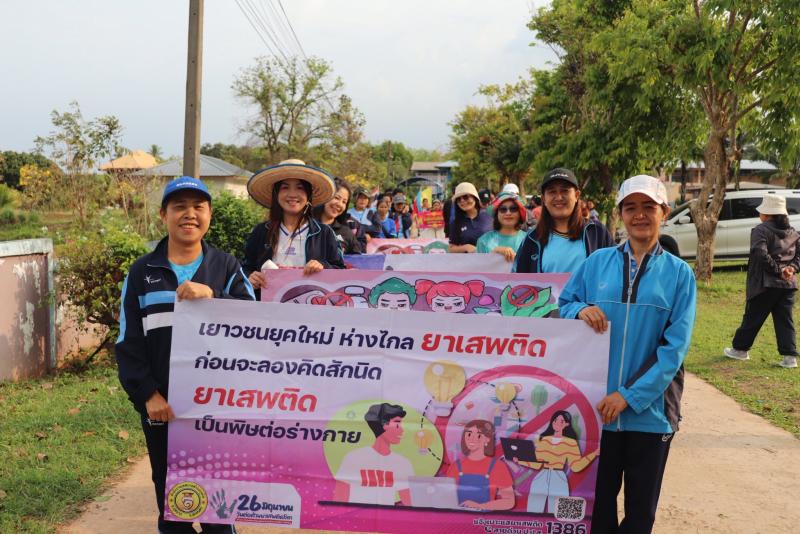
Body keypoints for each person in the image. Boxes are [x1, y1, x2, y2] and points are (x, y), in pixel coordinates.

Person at [115, 177, 254, 534]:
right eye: (179, 207)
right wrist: (148, 394)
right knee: (172, 501)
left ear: (209, 215)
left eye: (198, 207)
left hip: (219, 406)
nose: (189, 214)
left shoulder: (226, 266)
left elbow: (255, 324)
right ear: (163, 215)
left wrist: (214, 296)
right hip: (164, 407)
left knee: (218, 504)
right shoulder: (142, 272)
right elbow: (129, 342)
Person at [559, 174, 697, 534]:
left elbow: (674, 349)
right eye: (630, 207)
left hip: (651, 415)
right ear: (620, 214)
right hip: (598, 411)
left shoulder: (680, 275)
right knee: (598, 509)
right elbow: (564, 303)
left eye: (648, 207)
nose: (639, 215)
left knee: (640, 515)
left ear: (664, 212)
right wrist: (579, 310)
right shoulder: (597, 263)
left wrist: (628, 396)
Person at [242, 159, 345, 299]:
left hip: (311, 307)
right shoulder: (261, 231)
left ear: (308, 195)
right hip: (267, 308)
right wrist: (250, 277)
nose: (292, 194)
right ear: (276, 194)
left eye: (300, 188)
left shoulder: (324, 233)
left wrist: (323, 266)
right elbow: (245, 267)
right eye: (285, 187)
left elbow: (340, 271)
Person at [724, 194, 800, 368]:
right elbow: (798, 257)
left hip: (765, 283)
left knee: (753, 317)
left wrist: (778, 271)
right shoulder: (793, 232)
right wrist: (791, 269)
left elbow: (760, 253)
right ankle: (790, 358)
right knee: (785, 320)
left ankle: (740, 350)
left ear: (767, 214)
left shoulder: (760, 230)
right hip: (788, 284)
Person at [514, 168, 613, 275]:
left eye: (565, 190)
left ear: (576, 195)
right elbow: (519, 280)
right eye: (552, 192)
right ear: (544, 199)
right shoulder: (531, 239)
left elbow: (615, 271)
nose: (559, 197)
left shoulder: (597, 232)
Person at [511, 411, 598, 513]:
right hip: (542, 476)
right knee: (534, 507)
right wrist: (519, 460)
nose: (557, 423)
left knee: (557, 510)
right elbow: (537, 463)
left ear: (567, 424)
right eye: (555, 420)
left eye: (561, 421)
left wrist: (594, 454)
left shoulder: (571, 442)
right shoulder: (545, 440)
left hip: (558, 477)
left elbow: (575, 466)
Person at [333, 403, 414, 506]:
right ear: (383, 425)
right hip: (355, 515)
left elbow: (409, 504)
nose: (402, 430)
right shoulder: (354, 457)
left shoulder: (403, 463)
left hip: (385, 515)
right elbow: (339, 498)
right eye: (397, 424)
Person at [445, 420, 514, 511]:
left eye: (478, 435)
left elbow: (509, 501)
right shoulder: (456, 466)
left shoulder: (497, 466)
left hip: (483, 518)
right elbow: (446, 496)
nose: (472, 439)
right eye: (469, 434)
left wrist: (481, 506)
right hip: (457, 517)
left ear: (487, 439)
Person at [313, 178, 362, 254]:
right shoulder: (306, 226)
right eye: (336, 198)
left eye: (344, 202)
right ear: (325, 196)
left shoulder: (347, 233)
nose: (339, 204)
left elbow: (358, 259)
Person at [477, 193, 527, 262]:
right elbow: (479, 266)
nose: (508, 213)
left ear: (520, 213)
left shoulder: (529, 240)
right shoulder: (483, 241)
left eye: (513, 209)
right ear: (496, 214)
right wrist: (494, 253)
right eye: (503, 209)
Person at [449, 182, 492, 253]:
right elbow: (451, 248)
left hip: (489, 259)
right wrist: (465, 247)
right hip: (466, 260)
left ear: (474, 197)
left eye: (465, 197)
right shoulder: (455, 222)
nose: (462, 201)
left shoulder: (489, 217)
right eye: (458, 199)